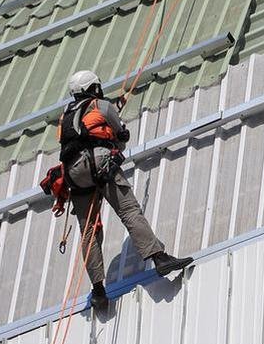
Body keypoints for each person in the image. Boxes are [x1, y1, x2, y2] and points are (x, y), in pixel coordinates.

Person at [58, 70, 192, 311]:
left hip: (74, 173)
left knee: (88, 231)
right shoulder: (102, 105)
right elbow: (120, 138)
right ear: (93, 88)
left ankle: (98, 292)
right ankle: (159, 258)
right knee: (129, 211)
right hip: (99, 162)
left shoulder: (65, 117)